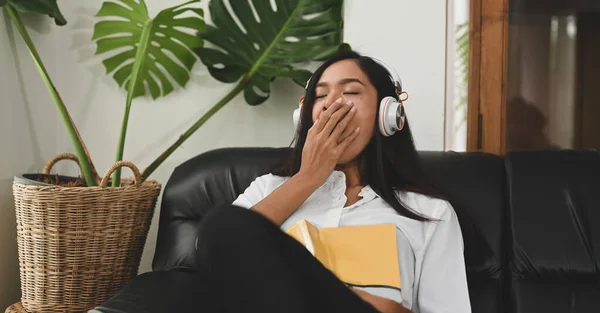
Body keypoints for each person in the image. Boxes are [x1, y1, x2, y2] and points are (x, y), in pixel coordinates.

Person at [194, 50, 473, 313]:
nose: (332, 104)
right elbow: (217, 250)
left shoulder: (431, 213)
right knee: (224, 223)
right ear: (304, 117)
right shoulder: (269, 188)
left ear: (387, 114)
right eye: (320, 96)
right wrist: (307, 178)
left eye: (350, 92)